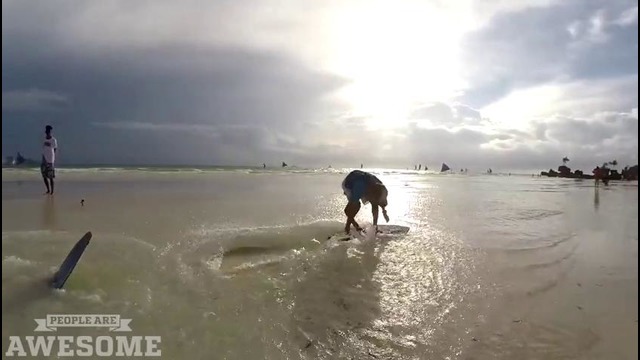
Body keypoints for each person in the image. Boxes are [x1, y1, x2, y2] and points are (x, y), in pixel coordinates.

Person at [341, 170, 390, 234]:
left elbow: (377, 204)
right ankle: (348, 228)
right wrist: (352, 226)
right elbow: (347, 211)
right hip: (349, 184)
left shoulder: (382, 188)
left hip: (364, 181)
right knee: (355, 207)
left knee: (374, 203)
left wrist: (384, 212)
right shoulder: (359, 188)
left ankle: (374, 226)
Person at [41, 125, 58, 195]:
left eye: (50, 131)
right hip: (44, 160)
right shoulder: (44, 139)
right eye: (47, 131)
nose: (48, 133)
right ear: (46, 131)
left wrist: (52, 159)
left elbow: (54, 150)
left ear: (51, 132)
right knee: (44, 176)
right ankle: (48, 190)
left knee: (51, 177)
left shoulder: (53, 140)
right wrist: (43, 158)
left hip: (50, 161)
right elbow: (44, 149)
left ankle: (52, 191)